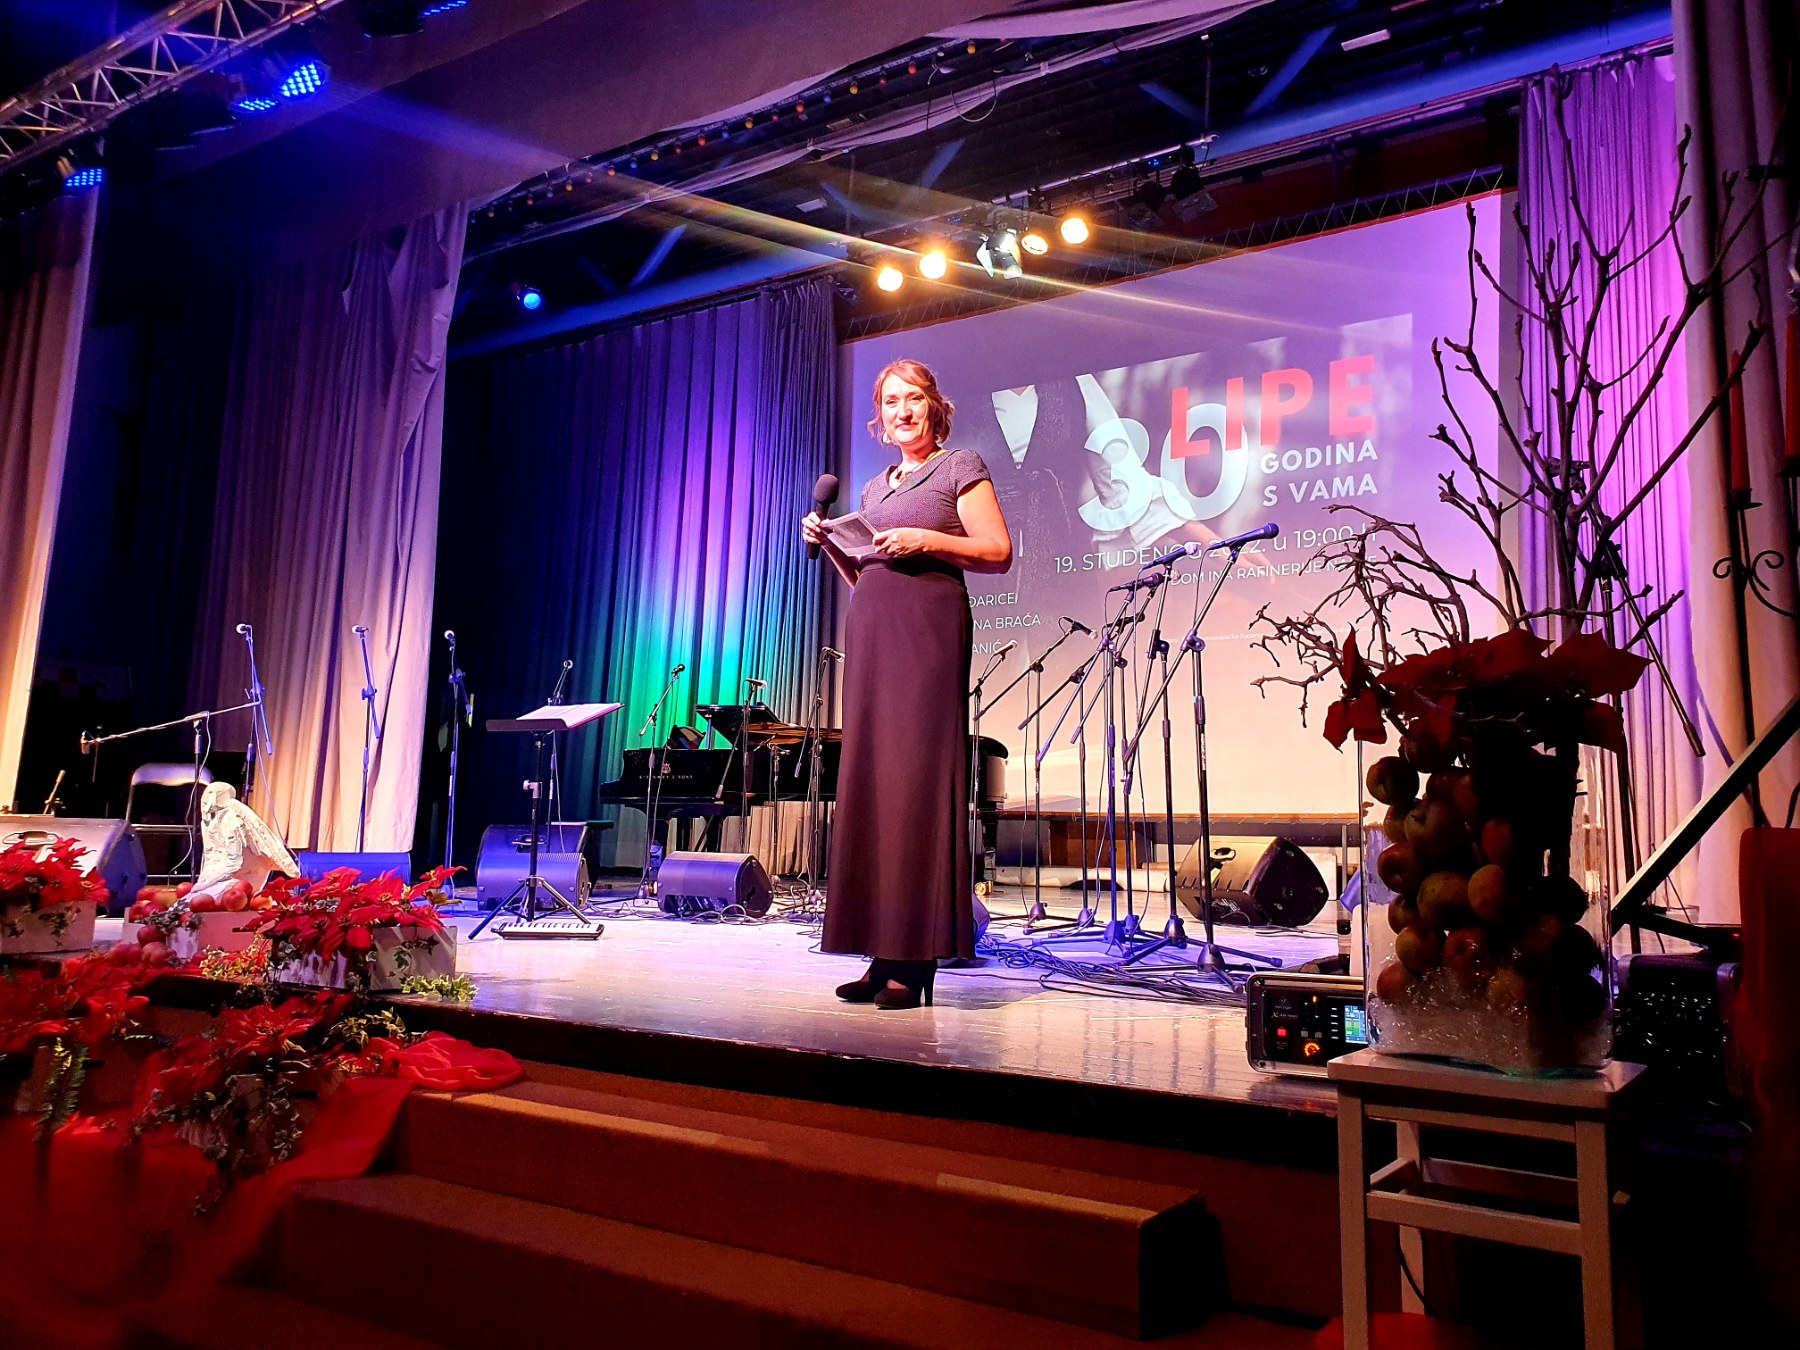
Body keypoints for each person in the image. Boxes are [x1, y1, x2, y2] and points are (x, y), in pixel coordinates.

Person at [801, 359, 1013, 1009]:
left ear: (934, 406)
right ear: (881, 416)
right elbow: (867, 576)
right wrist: (833, 546)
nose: (903, 410)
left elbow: (997, 551)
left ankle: (915, 962)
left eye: (913, 398)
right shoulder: (872, 490)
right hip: (874, 630)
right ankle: (879, 950)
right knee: (876, 787)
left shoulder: (959, 466)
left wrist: (924, 537)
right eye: (891, 401)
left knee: (917, 787)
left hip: (927, 631)